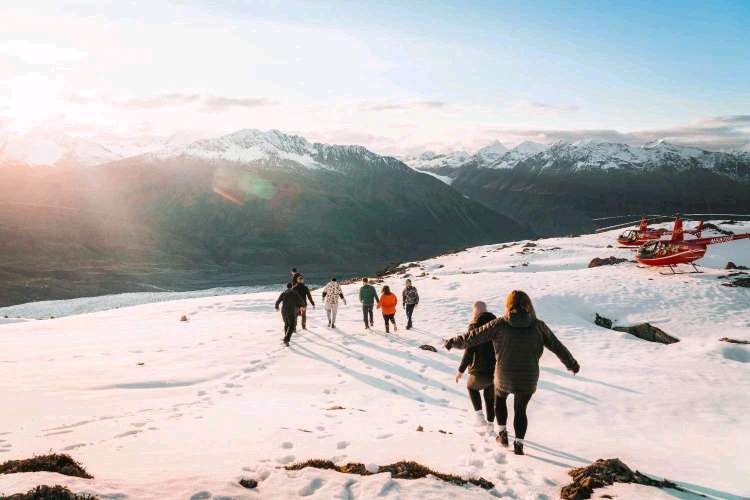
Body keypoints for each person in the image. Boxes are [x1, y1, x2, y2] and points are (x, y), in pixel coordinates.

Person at [444, 290, 580, 456]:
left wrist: (452, 342)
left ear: (508, 305)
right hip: (528, 377)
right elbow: (557, 346)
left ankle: (502, 435)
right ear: (528, 305)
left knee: (500, 399)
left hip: (504, 375)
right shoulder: (539, 326)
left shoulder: (500, 324)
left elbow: (472, 337)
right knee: (520, 409)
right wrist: (571, 364)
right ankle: (519, 444)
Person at [455, 301, 497, 435]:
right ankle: (490, 426)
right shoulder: (497, 326)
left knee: (471, 387)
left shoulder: (474, 327)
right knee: (490, 397)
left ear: (476, 312)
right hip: (495, 370)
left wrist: (460, 370)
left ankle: (480, 417)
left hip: (479, 370)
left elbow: (469, 351)